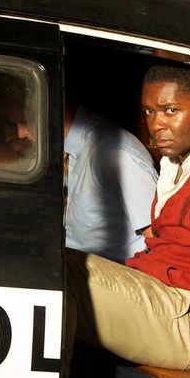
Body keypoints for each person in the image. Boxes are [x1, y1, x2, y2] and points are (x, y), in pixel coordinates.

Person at [65, 64, 190, 373]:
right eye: (149, 112)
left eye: (170, 110)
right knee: (45, 260)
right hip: (163, 296)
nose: (156, 124)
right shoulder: (181, 162)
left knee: (55, 272)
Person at [63, 101, 158, 262]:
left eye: (26, 120)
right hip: (74, 262)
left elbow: (157, 240)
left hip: (116, 274)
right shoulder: (73, 148)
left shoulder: (114, 155)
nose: (20, 132)